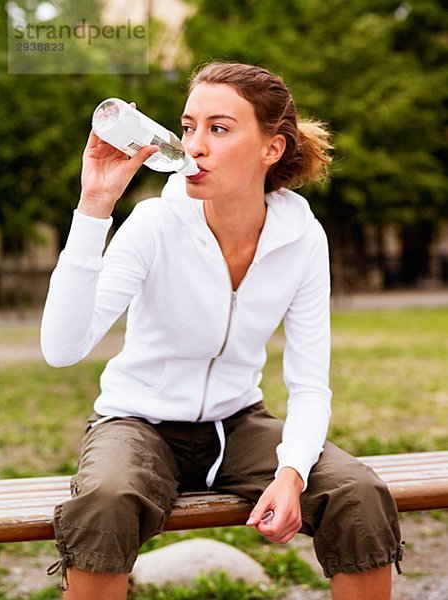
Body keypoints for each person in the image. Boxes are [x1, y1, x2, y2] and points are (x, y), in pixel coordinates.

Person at [41, 61, 403, 599]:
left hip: (237, 425)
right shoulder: (153, 225)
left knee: (358, 493)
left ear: (271, 149)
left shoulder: (302, 238)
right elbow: (62, 349)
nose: (194, 146)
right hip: (138, 422)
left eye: (219, 128)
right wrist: (95, 207)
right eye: (188, 127)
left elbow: (308, 384)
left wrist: (291, 473)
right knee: (106, 500)